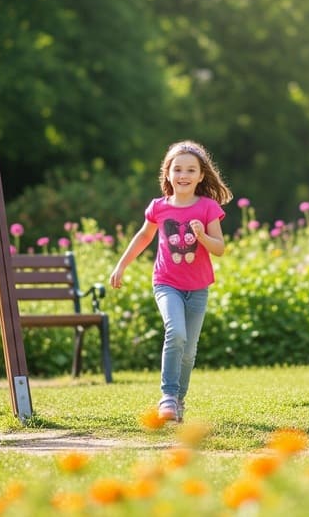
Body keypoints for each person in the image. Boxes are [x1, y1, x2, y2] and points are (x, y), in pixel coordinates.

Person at [110, 140, 231, 423]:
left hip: (198, 287)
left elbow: (220, 248)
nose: (183, 175)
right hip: (166, 283)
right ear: (167, 173)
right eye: (177, 169)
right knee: (176, 332)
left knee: (189, 351)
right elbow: (143, 237)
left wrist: (202, 236)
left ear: (201, 175)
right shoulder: (158, 207)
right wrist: (121, 265)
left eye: (191, 170)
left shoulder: (208, 207)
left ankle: (179, 400)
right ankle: (167, 396)